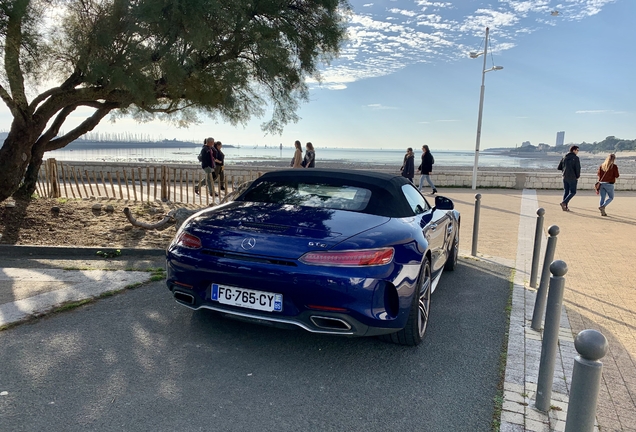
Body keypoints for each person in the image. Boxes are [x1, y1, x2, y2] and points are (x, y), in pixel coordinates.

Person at [557, 145, 580, 211]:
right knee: (573, 192)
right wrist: (577, 176)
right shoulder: (575, 158)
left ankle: (565, 207)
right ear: (574, 150)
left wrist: (564, 172)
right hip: (572, 177)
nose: (578, 152)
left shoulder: (564, 157)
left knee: (566, 192)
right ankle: (564, 203)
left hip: (565, 176)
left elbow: (559, 167)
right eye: (577, 150)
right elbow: (577, 168)